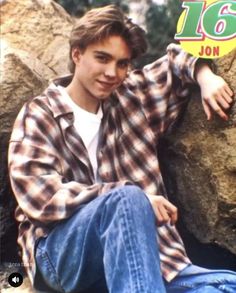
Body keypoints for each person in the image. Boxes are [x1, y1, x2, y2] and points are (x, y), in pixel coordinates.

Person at [8, 4, 236, 293]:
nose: (111, 73)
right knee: (126, 199)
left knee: (227, 286)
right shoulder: (39, 114)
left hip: (151, 261)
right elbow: (42, 197)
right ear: (77, 54)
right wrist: (133, 197)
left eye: (122, 63)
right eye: (102, 58)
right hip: (63, 256)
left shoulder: (132, 96)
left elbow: (175, 58)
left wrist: (204, 76)